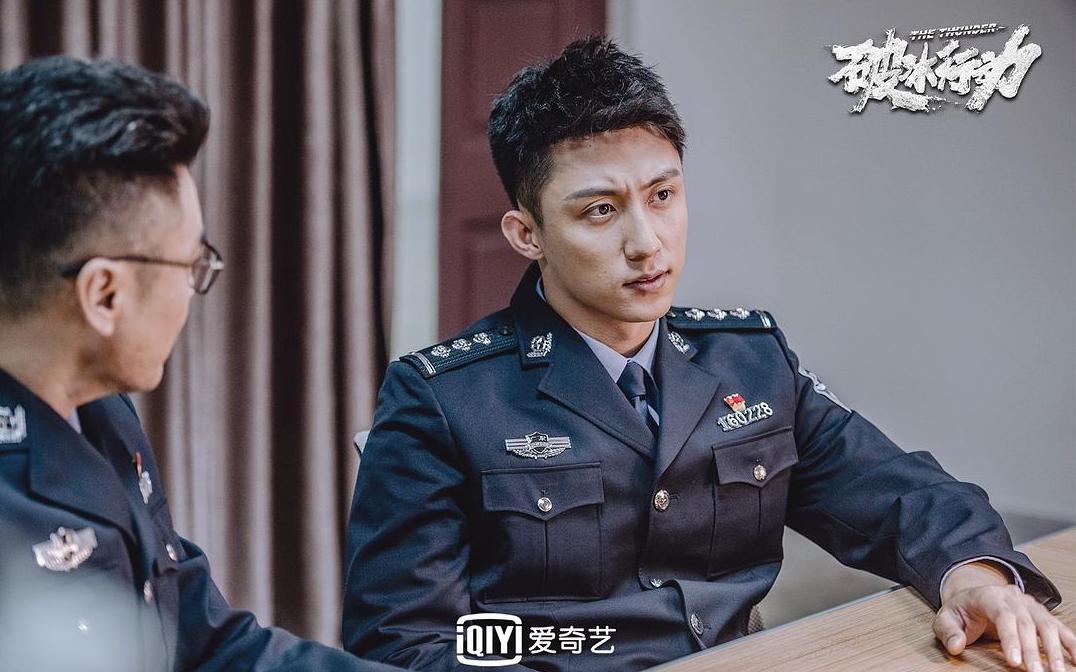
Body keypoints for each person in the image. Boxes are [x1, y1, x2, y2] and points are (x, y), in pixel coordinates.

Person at [342, 37, 1075, 672]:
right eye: (600, 210)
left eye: (662, 195)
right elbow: (401, 645)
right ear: (526, 233)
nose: (646, 242)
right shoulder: (442, 399)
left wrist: (974, 576)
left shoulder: (749, 360)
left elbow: (896, 493)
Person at [0, 56, 398, 672]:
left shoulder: (103, 412)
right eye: (190, 266)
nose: (194, 289)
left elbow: (204, 640)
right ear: (104, 295)